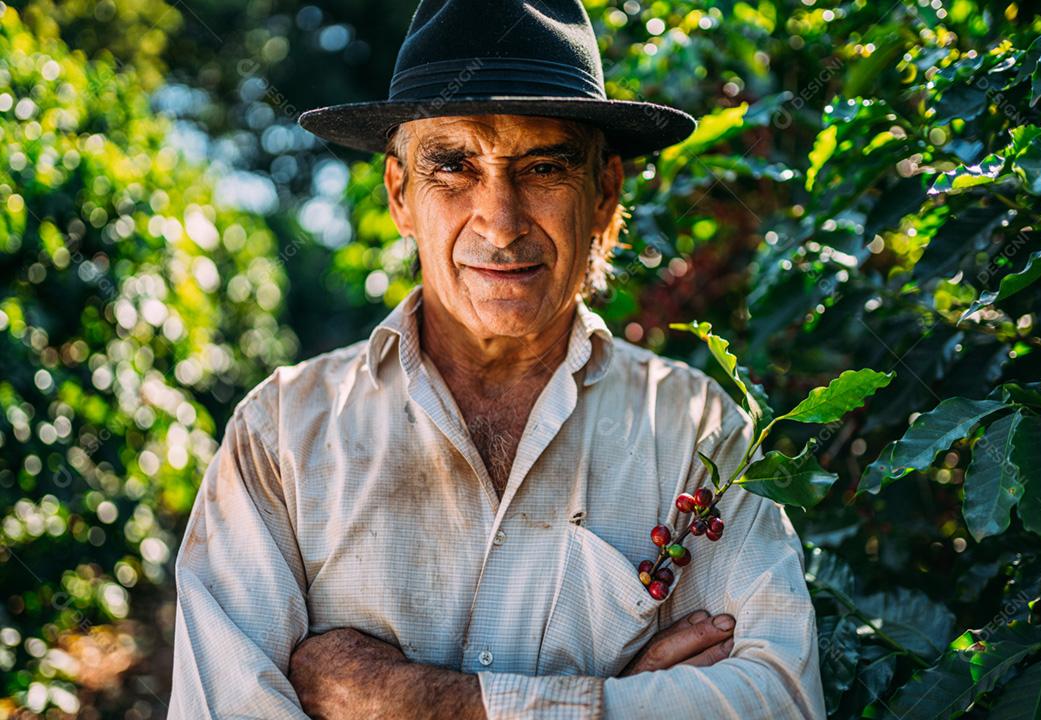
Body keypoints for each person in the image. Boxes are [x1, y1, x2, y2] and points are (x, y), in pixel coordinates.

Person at [167, 0, 826, 717]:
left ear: (604, 195)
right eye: (452, 166)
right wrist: (623, 699)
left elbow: (780, 702)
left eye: (544, 166)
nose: (501, 222)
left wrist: (421, 702)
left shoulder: (701, 435)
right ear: (400, 194)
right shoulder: (281, 437)